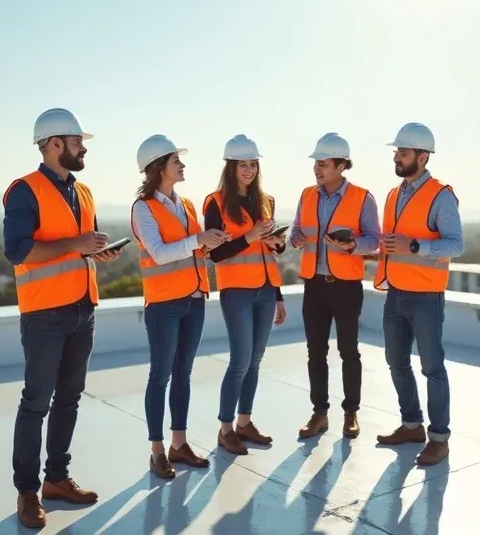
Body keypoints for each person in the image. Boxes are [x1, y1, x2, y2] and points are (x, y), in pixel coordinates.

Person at [2, 108, 121, 528]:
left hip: (82, 309)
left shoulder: (83, 191)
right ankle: (27, 493)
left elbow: (82, 246)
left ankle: (56, 479)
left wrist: (97, 250)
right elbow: (17, 249)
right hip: (44, 314)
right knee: (36, 403)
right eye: (76, 141)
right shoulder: (24, 191)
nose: (82, 146)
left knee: (69, 399)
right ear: (55, 144)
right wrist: (77, 244)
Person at [130, 134, 230, 479]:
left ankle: (179, 444)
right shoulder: (143, 208)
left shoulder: (185, 204)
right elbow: (158, 252)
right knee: (160, 376)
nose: (183, 165)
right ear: (159, 168)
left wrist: (212, 241)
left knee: (183, 375)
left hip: (193, 299)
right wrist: (197, 240)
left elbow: (193, 248)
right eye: (177, 161)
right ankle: (157, 450)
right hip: (164, 304)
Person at [372, 122, 464, 467]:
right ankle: (412, 425)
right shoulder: (395, 194)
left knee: (432, 367)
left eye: (403, 152)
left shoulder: (441, 195)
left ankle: (439, 439)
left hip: (425, 296)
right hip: (395, 293)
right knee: (396, 362)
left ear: (423, 157)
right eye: (396, 151)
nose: (397, 157)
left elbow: (456, 245)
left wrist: (415, 246)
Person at [288, 133, 381, 440]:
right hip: (314, 286)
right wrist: (296, 238)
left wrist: (353, 244)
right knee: (315, 352)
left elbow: (375, 241)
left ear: (342, 165)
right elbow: (297, 232)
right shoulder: (306, 195)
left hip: (345, 287)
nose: (317, 169)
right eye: (316, 163)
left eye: (324, 164)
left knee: (348, 352)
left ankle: (351, 413)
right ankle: (320, 414)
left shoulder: (363, 197)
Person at [202, 134, 287, 456]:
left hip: (266, 289)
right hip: (236, 290)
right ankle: (225, 429)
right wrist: (250, 236)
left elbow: (269, 251)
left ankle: (245, 423)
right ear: (231, 167)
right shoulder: (216, 202)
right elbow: (214, 254)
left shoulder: (266, 201)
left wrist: (276, 246)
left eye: (253, 164)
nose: (249, 170)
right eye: (243, 165)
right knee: (240, 360)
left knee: (255, 360)